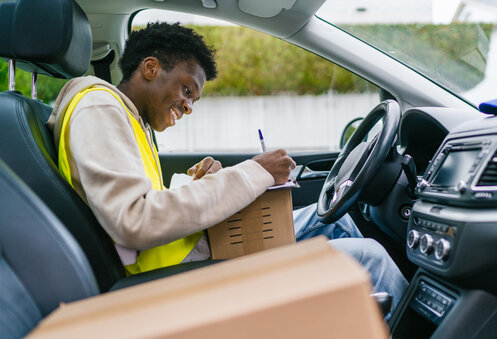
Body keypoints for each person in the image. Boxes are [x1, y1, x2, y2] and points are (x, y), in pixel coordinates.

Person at [47, 22, 407, 309]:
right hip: (185, 278)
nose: (188, 107)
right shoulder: (99, 107)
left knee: (338, 220)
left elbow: (141, 200)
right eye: (187, 91)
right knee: (370, 258)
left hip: (197, 251)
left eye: (193, 100)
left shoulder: (126, 116)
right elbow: (134, 221)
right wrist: (255, 171)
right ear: (151, 68)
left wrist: (197, 184)